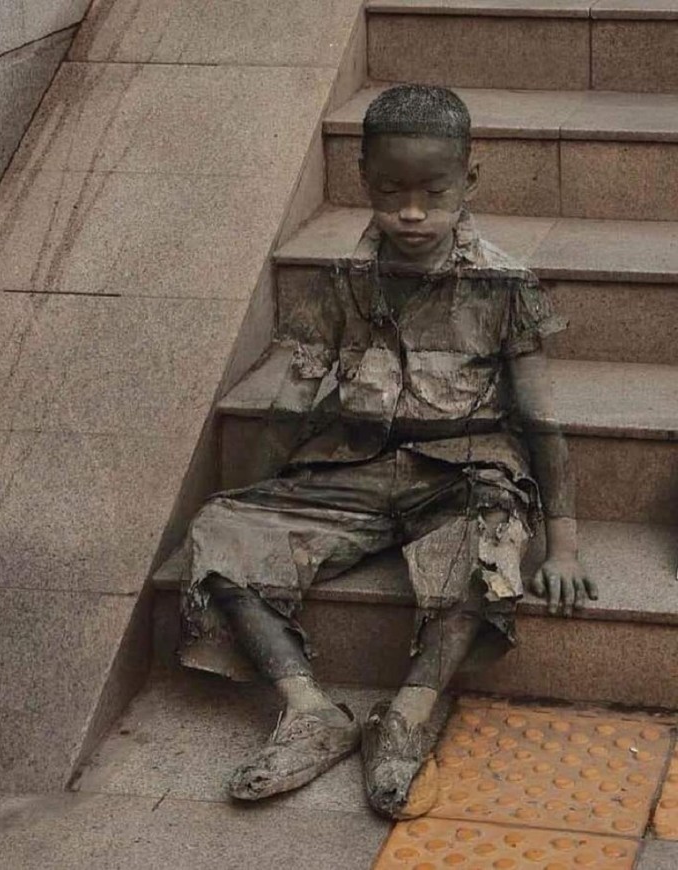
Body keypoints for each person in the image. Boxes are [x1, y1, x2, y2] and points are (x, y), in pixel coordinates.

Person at [181, 84, 598, 820]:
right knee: (220, 531)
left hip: (464, 474)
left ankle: (406, 717)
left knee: (492, 551)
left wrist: (562, 543)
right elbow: (292, 406)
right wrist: (250, 497)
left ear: (468, 182)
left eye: (434, 193)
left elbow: (542, 422)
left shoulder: (505, 286)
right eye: (390, 191)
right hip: (355, 466)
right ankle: (311, 713)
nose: (412, 212)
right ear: (362, 181)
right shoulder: (342, 283)